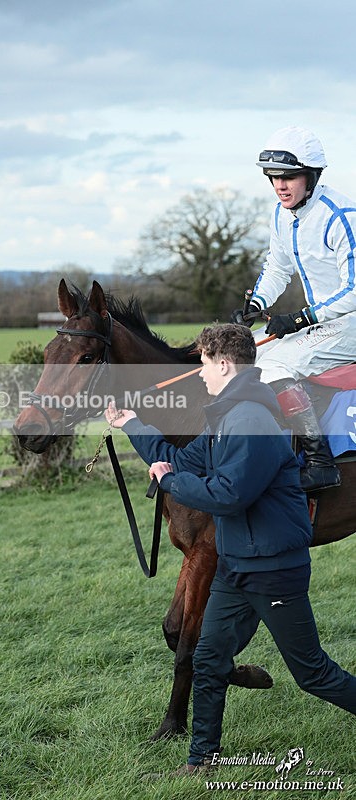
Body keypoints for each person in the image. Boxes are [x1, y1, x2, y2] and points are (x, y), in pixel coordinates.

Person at [105, 323, 356, 774]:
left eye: (203, 363)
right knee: (208, 657)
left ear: (224, 364)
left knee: (313, 673)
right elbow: (183, 460)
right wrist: (132, 425)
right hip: (237, 565)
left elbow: (227, 494)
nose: (198, 373)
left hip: (273, 569)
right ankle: (202, 760)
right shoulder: (225, 415)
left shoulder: (252, 420)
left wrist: (169, 481)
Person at [232, 125, 356, 492]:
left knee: (273, 364)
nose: (280, 186)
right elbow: (277, 267)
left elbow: (354, 290)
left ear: (312, 175)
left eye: (289, 177)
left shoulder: (341, 216)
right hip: (323, 324)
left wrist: (303, 317)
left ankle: (321, 463)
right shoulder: (280, 216)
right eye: (273, 178)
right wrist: (257, 302)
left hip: (349, 324)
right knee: (240, 353)